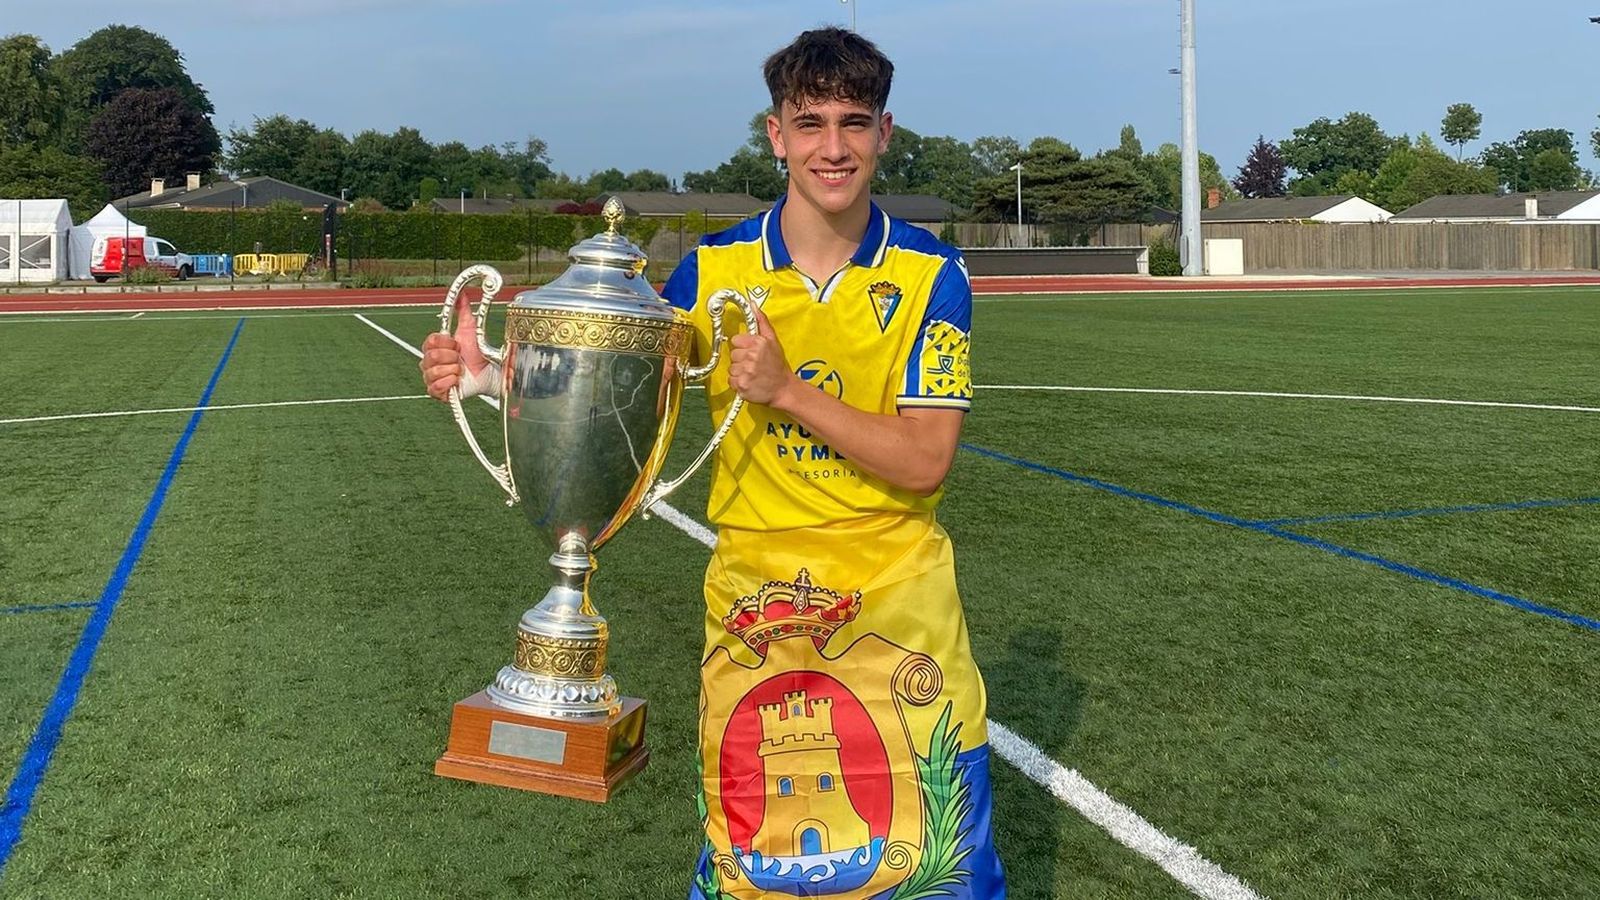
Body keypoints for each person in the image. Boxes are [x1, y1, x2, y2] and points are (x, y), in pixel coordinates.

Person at [422, 27, 1005, 900]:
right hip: (756, 606)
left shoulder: (932, 275)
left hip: (898, 607)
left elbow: (925, 461)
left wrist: (788, 391)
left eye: (854, 122)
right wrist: (495, 376)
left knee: (932, 871)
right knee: (756, 872)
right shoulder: (713, 269)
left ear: (886, 132)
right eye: (809, 124)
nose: (832, 148)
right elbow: (616, 386)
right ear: (775, 135)